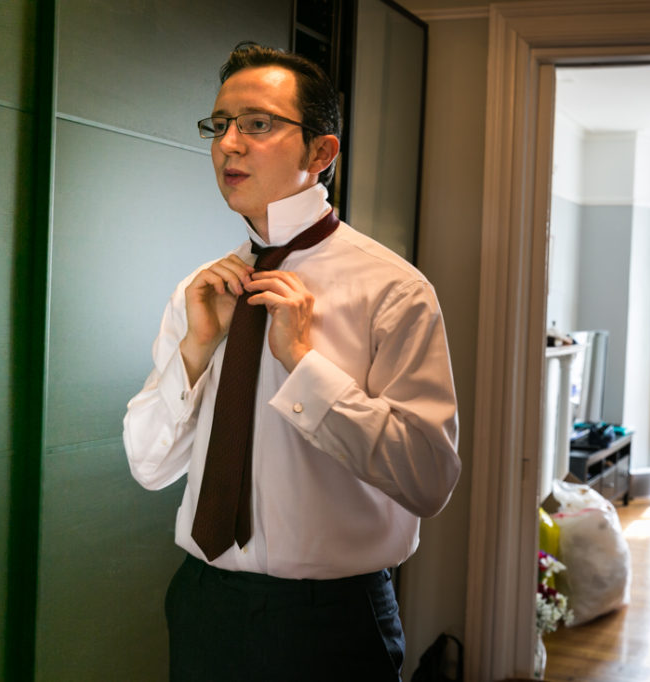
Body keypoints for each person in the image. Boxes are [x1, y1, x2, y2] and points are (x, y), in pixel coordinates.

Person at [123, 42, 460, 680]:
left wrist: (304, 364)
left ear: (321, 153)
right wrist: (197, 350)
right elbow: (148, 466)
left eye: (257, 124)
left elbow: (429, 478)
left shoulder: (393, 291)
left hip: (331, 623)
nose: (228, 144)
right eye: (219, 125)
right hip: (203, 605)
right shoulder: (200, 292)